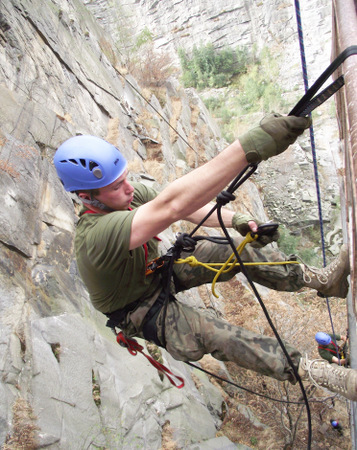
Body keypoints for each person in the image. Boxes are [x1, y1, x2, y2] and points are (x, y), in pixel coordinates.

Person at [54, 114, 356, 401]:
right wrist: (247, 147)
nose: (129, 188)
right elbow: (171, 206)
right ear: (86, 197)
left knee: (237, 249)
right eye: (117, 186)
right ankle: (316, 372)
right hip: (139, 309)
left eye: (126, 178)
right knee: (216, 334)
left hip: (157, 272)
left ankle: (321, 280)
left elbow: (187, 207)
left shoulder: (128, 197)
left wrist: (235, 218)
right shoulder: (96, 236)